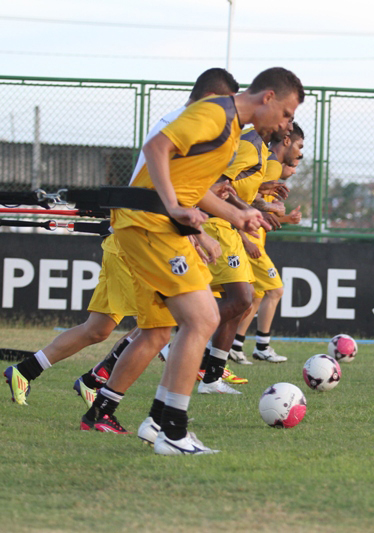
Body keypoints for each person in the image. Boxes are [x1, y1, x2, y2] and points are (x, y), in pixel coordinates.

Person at [81, 67, 304, 456]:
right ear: (268, 97)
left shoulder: (232, 129)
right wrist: (173, 207)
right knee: (202, 318)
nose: (287, 124)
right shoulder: (218, 113)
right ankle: (171, 430)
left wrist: (237, 217)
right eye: (287, 113)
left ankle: (156, 421)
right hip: (149, 222)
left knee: (166, 328)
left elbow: (196, 187)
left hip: (159, 226)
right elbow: (156, 148)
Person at [3, 68, 240, 408]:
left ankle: (40, 373)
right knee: (158, 328)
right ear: (213, 100)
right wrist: (196, 231)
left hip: (137, 236)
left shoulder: (180, 125)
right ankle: (125, 404)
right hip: (138, 238)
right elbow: (168, 190)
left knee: (108, 328)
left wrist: (196, 230)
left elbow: (179, 189)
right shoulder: (187, 128)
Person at [229, 123, 305, 364]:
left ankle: (234, 346)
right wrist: (245, 237)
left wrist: (284, 217)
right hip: (245, 240)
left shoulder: (264, 159)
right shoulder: (269, 164)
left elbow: (256, 206)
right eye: (299, 147)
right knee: (273, 290)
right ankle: (258, 344)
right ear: (286, 141)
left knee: (255, 295)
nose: (299, 156)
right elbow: (243, 201)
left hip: (244, 237)